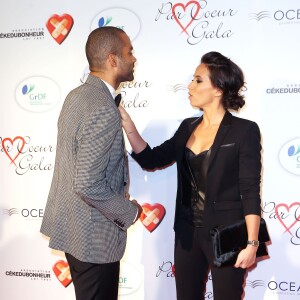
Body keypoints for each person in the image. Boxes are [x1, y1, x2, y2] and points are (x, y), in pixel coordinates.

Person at [119, 51, 262, 300]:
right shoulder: (188, 126)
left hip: (228, 232)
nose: (190, 86)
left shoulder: (245, 130)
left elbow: (250, 190)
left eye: (198, 80)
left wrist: (252, 243)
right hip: (186, 232)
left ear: (217, 89)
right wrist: (129, 126)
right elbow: (153, 159)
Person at [40, 26, 143, 300]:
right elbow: (87, 183)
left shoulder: (77, 96)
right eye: (129, 52)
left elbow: (79, 167)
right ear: (112, 59)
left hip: (74, 230)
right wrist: (129, 211)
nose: (134, 58)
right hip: (94, 238)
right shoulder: (102, 107)